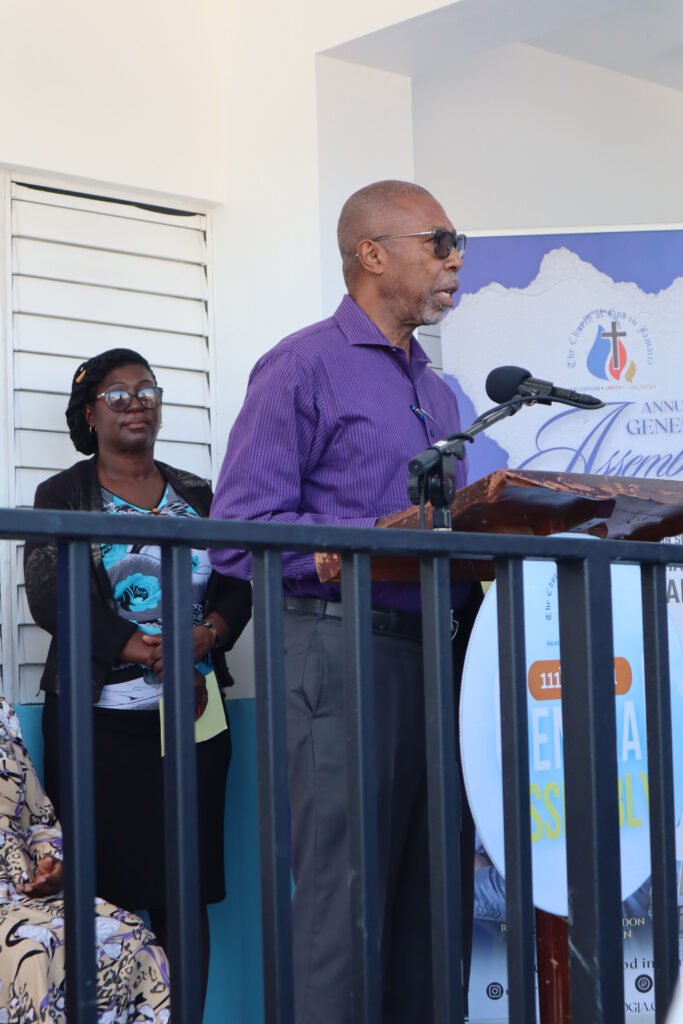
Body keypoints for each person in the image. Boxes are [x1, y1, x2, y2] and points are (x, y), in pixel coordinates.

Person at [209, 180, 482, 1023]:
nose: (455, 260)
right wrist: (358, 541)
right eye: (439, 241)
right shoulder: (302, 365)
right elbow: (237, 533)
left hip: (441, 659)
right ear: (371, 254)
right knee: (343, 902)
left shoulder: (439, 392)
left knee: (435, 901)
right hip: (338, 651)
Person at [24, 347, 253, 1007]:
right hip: (97, 725)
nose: (136, 403)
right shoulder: (62, 495)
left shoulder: (199, 495)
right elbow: (51, 597)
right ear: (89, 414)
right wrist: (141, 648)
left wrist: (209, 634)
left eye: (147, 390)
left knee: (185, 892)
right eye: (118, 394)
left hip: (194, 723)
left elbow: (239, 580)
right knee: (99, 894)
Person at [0, 694, 171, 1022]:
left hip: (24, 893)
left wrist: (51, 862)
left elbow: (38, 817)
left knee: (133, 935)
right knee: (31, 952)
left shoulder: (1, 713)